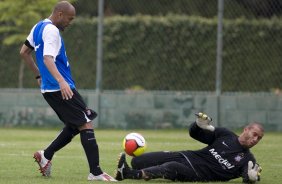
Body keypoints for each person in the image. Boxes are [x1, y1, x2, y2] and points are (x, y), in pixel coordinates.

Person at [19, 1, 116, 181]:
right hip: (60, 87)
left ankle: (45, 155)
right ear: (60, 14)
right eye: (69, 19)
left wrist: (38, 77)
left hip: (51, 88)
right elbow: (48, 58)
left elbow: (24, 52)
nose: (70, 22)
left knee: (74, 125)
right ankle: (95, 172)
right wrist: (61, 81)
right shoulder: (52, 31)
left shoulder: (38, 26)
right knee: (85, 123)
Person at [115, 112, 264, 183]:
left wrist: (251, 179)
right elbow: (195, 134)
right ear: (246, 129)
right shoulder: (226, 134)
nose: (255, 139)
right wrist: (197, 125)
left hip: (198, 174)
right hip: (186, 156)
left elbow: (247, 177)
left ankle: (128, 174)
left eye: (259, 138)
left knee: (172, 166)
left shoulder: (248, 160)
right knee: (138, 161)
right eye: (254, 134)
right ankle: (134, 170)